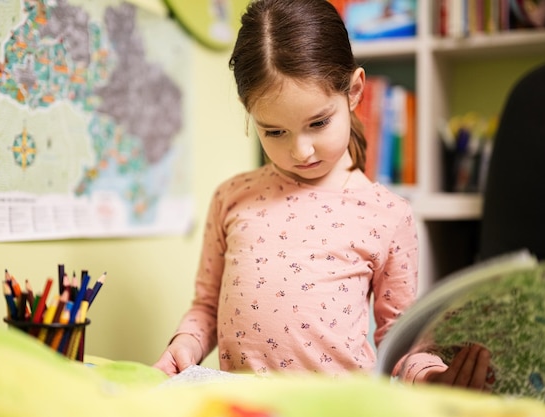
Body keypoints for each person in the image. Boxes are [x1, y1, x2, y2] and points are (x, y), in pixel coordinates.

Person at [153, 0, 490, 389]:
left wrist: (427, 374)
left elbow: (399, 334)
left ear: (354, 91)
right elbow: (207, 307)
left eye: (318, 122)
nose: (301, 151)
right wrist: (185, 343)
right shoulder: (231, 197)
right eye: (274, 131)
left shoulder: (387, 214)